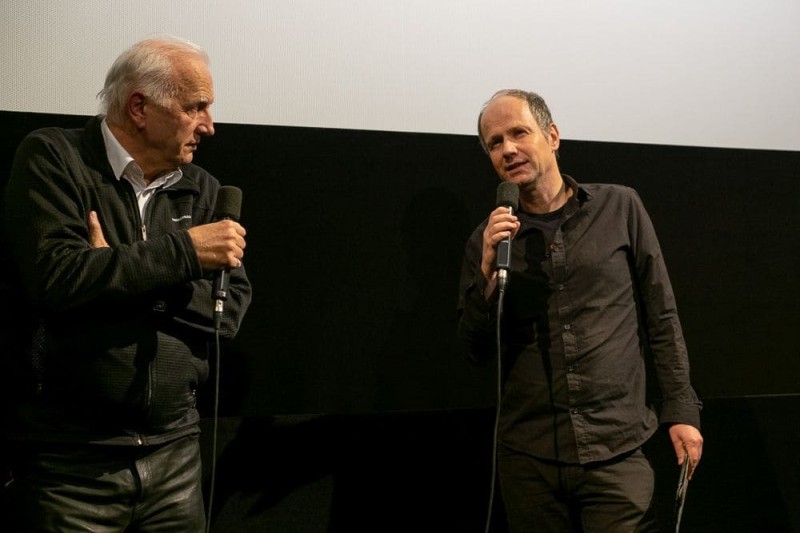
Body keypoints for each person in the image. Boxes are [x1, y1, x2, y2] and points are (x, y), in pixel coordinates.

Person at [0, 35, 252, 531]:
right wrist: (184, 254)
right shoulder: (55, 158)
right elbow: (57, 279)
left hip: (177, 457)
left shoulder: (199, 187)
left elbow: (230, 309)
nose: (210, 126)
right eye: (195, 106)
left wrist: (117, 270)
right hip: (72, 466)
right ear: (140, 106)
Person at [457, 89, 703, 532]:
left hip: (618, 449)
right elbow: (474, 349)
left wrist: (681, 410)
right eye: (495, 142)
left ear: (552, 136)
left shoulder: (620, 207)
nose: (508, 148)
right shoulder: (487, 241)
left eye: (519, 133)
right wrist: (489, 276)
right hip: (529, 457)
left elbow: (661, 316)